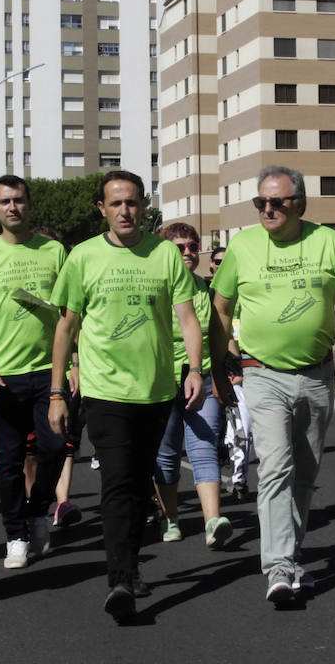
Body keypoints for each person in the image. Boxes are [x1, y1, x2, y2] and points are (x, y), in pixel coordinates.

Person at [210, 165, 335, 605]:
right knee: (275, 467)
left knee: (304, 472)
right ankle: (279, 566)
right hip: (262, 373)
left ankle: (291, 553)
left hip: (318, 375)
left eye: (276, 202)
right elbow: (220, 309)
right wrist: (217, 369)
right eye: (260, 202)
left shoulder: (328, 242)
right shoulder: (242, 246)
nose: (267, 210)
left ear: (299, 204)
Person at [48, 170, 205, 623]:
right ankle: (119, 580)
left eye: (132, 202)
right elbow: (66, 326)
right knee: (117, 482)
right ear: (102, 209)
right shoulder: (83, 256)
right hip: (104, 390)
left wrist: (195, 370)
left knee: (138, 485)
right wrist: (57, 391)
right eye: (115, 203)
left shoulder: (164, 254)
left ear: (143, 206)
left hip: (155, 391)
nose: (124, 211)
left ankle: (131, 566)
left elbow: (187, 318)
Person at [0, 175, 68, 569]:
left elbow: (69, 313)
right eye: (5, 202)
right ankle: (16, 535)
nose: (13, 207)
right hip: (4, 376)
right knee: (8, 461)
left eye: (19, 200)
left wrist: (73, 362)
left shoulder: (54, 251)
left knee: (54, 448)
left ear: (29, 204)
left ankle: (38, 510)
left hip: (49, 372)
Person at [153, 222, 233, 548]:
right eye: (179, 247)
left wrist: (224, 374)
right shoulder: (156, 288)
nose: (187, 252)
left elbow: (220, 335)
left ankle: (212, 521)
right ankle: (170, 518)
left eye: (192, 247)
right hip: (162, 381)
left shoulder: (207, 290)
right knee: (166, 454)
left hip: (203, 377)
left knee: (204, 446)